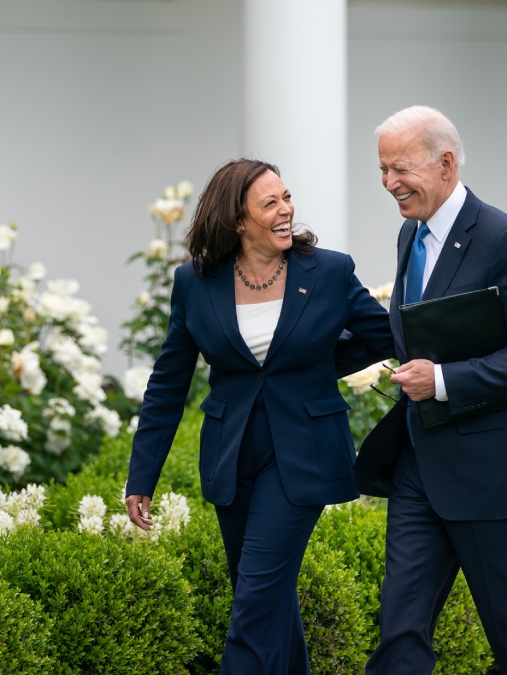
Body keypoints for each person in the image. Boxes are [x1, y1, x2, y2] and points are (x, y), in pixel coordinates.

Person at [124, 159, 393, 674]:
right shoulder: (195, 282)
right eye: (270, 203)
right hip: (232, 454)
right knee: (264, 595)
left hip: (304, 454)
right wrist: (142, 477)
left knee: (254, 601)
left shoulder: (329, 270)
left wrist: (314, 369)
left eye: (287, 198)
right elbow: (168, 383)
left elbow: (381, 335)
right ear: (237, 220)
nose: (286, 210)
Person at [361, 106, 507, 674]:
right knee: (398, 636)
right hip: (418, 468)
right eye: (381, 170)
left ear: (446, 163)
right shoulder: (411, 232)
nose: (388, 183)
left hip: (491, 472)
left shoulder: (503, 238)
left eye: (399, 169)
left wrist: (445, 381)